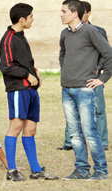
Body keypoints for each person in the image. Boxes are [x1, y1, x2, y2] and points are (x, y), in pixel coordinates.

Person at [0, 3, 59, 181]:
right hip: (19, 89)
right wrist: (27, 75)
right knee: (16, 127)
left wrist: (35, 71)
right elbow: (6, 66)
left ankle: (36, 170)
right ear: (22, 19)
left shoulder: (20, 35)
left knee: (30, 130)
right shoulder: (8, 38)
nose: (34, 19)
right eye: (31, 16)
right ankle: (12, 171)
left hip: (31, 90)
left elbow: (23, 61)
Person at [59, 0, 112, 180]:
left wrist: (102, 79)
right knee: (74, 133)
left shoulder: (91, 32)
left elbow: (109, 54)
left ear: (75, 14)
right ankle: (81, 170)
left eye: (63, 11)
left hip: (85, 90)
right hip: (67, 89)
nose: (61, 14)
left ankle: (101, 170)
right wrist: (66, 72)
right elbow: (63, 54)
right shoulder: (64, 34)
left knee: (89, 132)